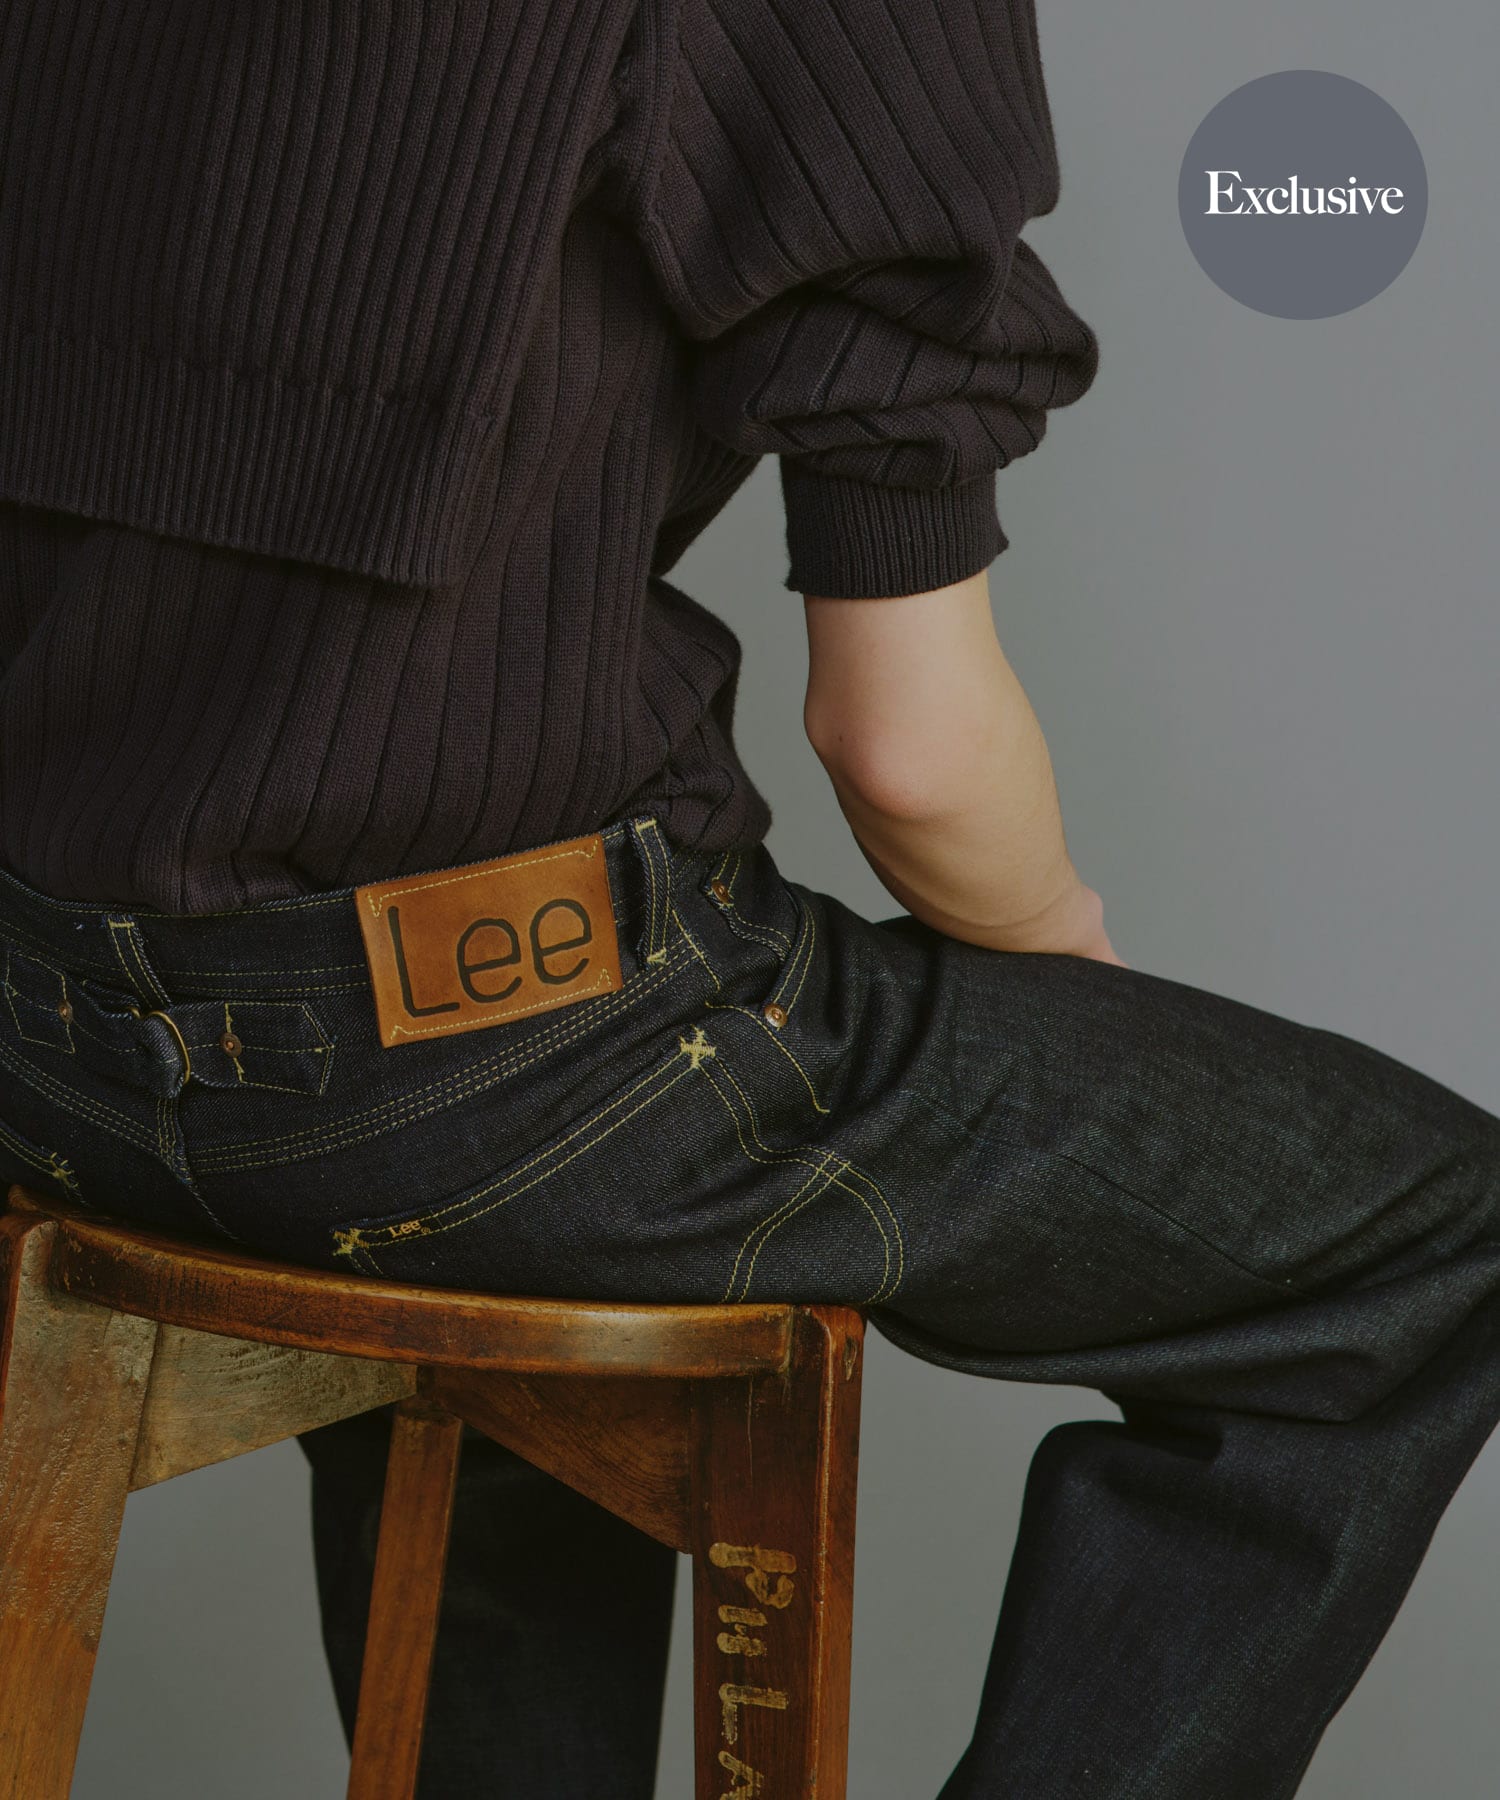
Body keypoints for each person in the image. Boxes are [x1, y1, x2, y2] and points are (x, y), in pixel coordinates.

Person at [0, 5, 1496, 1797]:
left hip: (50, 1044)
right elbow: (909, 750)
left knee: (488, 1252)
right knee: (1429, 1243)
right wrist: (1062, 970)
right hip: (485, 1057)